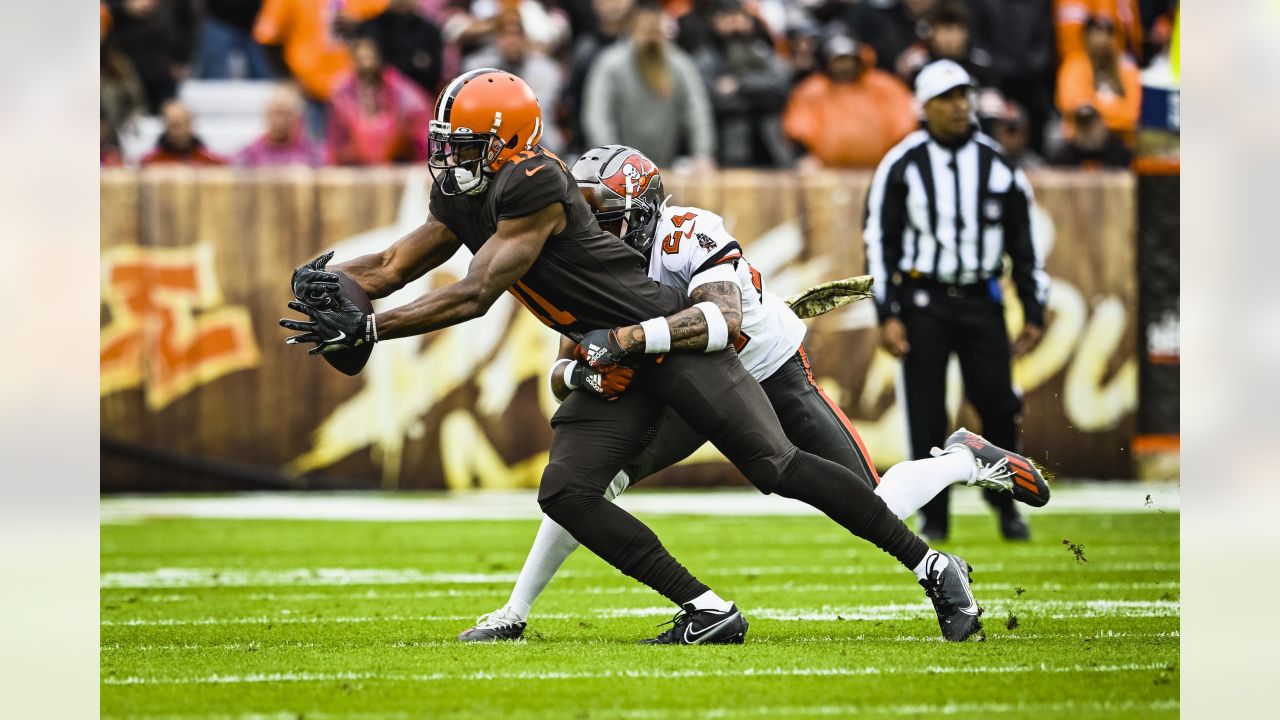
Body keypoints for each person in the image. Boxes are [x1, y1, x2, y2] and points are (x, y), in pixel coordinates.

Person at [281, 69, 1013, 644]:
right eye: (445, 142)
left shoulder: (538, 183)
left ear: (509, 146)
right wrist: (336, 281)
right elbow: (396, 263)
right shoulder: (468, 193)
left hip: (676, 341)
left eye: (462, 146)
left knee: (775, 467)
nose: (447, 158)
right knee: (568, 492)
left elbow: (477, 292)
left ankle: (930, 561)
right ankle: (706, 608)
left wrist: (373, 330)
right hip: (618, 360)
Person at [455, 144, 1051, 641]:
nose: (592, 229)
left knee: (875, 503)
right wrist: (587, 372)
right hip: (679, 380)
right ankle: (515, 612)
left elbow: (722, 325)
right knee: (588, 483)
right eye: (584, 216)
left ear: (641, 212)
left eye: (604, 216)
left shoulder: (688, 234)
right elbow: (564, 371)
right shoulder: (589, 256)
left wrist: (627, 339)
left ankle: (963, 461)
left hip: (765, 369)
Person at [863, 60, 1049, 542]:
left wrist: (1032, 306)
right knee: (925, 412)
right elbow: (878, 241)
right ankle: (935, 513)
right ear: (924, 107)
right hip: (922, 301)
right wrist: (887, 312)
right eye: (946, 98)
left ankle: (1007, 505)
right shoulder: (901, 164)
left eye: (964, 95)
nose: (959, 106)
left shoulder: (999, 163)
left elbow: (1024, 241)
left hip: (981, 299)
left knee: (998, 405)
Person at [581, 0, 716, 171]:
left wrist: (702, 154)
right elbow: (598, 116)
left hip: (665, 166)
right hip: (618, 171)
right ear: (632, 27)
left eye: (655, 27)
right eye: (645, 27)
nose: (650, 33)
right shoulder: (610, 64)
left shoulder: (679, 64)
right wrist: (612, 160)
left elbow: (696, 109)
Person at [782, 34, 918, 169]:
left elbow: (904, 124)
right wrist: (806, 156)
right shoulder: (811, 90)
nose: (844, 66)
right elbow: (798, 128)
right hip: (825, 171)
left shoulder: (885, 86)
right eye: (838, 61)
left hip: (882, 166)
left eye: (848, 60)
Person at [692, 1, 794, 167]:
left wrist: (739, 85)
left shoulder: (762, 51)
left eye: (739, 18)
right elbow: (714, 100)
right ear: (715, 23)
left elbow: (781, 87)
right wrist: (760, 97)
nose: (735, 24)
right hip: (727, 151)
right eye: (728, 18)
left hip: (772, 149)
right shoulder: (705, 59)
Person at [463, 11, 566, 154]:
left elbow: (540, 111)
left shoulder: (546, 69)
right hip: (489, 141)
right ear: (496, 38)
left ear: (525, 38)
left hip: (541, 140)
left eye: (517, 34)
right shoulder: (478, 69)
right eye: (505, 34)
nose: (512, 40)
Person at [325, 35, 431, 166]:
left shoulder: (402, 92)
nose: (366, 63)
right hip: (356, 166)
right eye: (361, 59)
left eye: (370, 57)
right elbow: (336, 143)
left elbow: (421, 130)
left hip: (396, 164)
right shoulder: (342, 95)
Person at [1056, 15, 1143, 146]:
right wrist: (1116, 110)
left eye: (1107, 34)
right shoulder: (1074, 66)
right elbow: (1076, 108)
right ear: (1086, 37)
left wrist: (1098, 111)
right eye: (1096, 34)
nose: (1101, 40)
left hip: (1123, 142)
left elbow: (1134, 114)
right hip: (1082, 142)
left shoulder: (1127, 68)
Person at [358, 0, 448, 96]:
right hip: (380, 98)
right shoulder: (370, 27)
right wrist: (413, 64)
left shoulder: (430, 31)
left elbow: (434, 75)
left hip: (420, 100)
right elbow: (372, 69)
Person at [232, 84, 326, 167]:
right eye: (275, 113)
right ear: (266, 114)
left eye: (285, 113)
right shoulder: (250, 154)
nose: (280, 120)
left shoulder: (313, 155)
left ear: (298, 117)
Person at [140, 99, 227, 167]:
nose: (175, 131)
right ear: (164, 126)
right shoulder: (149, 162)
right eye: (171, 124)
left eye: (179, 124)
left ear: (191, 125)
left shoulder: (213, 163)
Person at [1049, 105, 1133, 169]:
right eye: (1083, 128)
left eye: (1092, 127)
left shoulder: (1119, 151)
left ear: (1102, 125)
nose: (1088, 132)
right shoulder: (1065, 156)